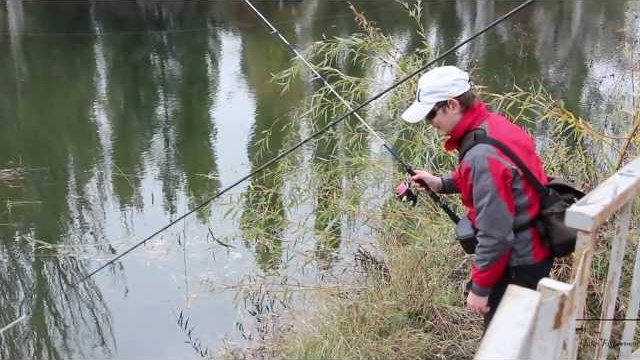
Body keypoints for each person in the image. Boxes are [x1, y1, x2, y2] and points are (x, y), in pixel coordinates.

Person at [401, 65, 553, 329]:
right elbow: (503, 179)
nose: (430, 123)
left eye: (431, 114)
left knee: (502, 344)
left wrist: (480, 289)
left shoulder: (480, 155)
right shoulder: (492, 126)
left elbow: (495, 235)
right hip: (535, 249)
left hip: (518, 263)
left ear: (451, 104)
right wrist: (440, 183)